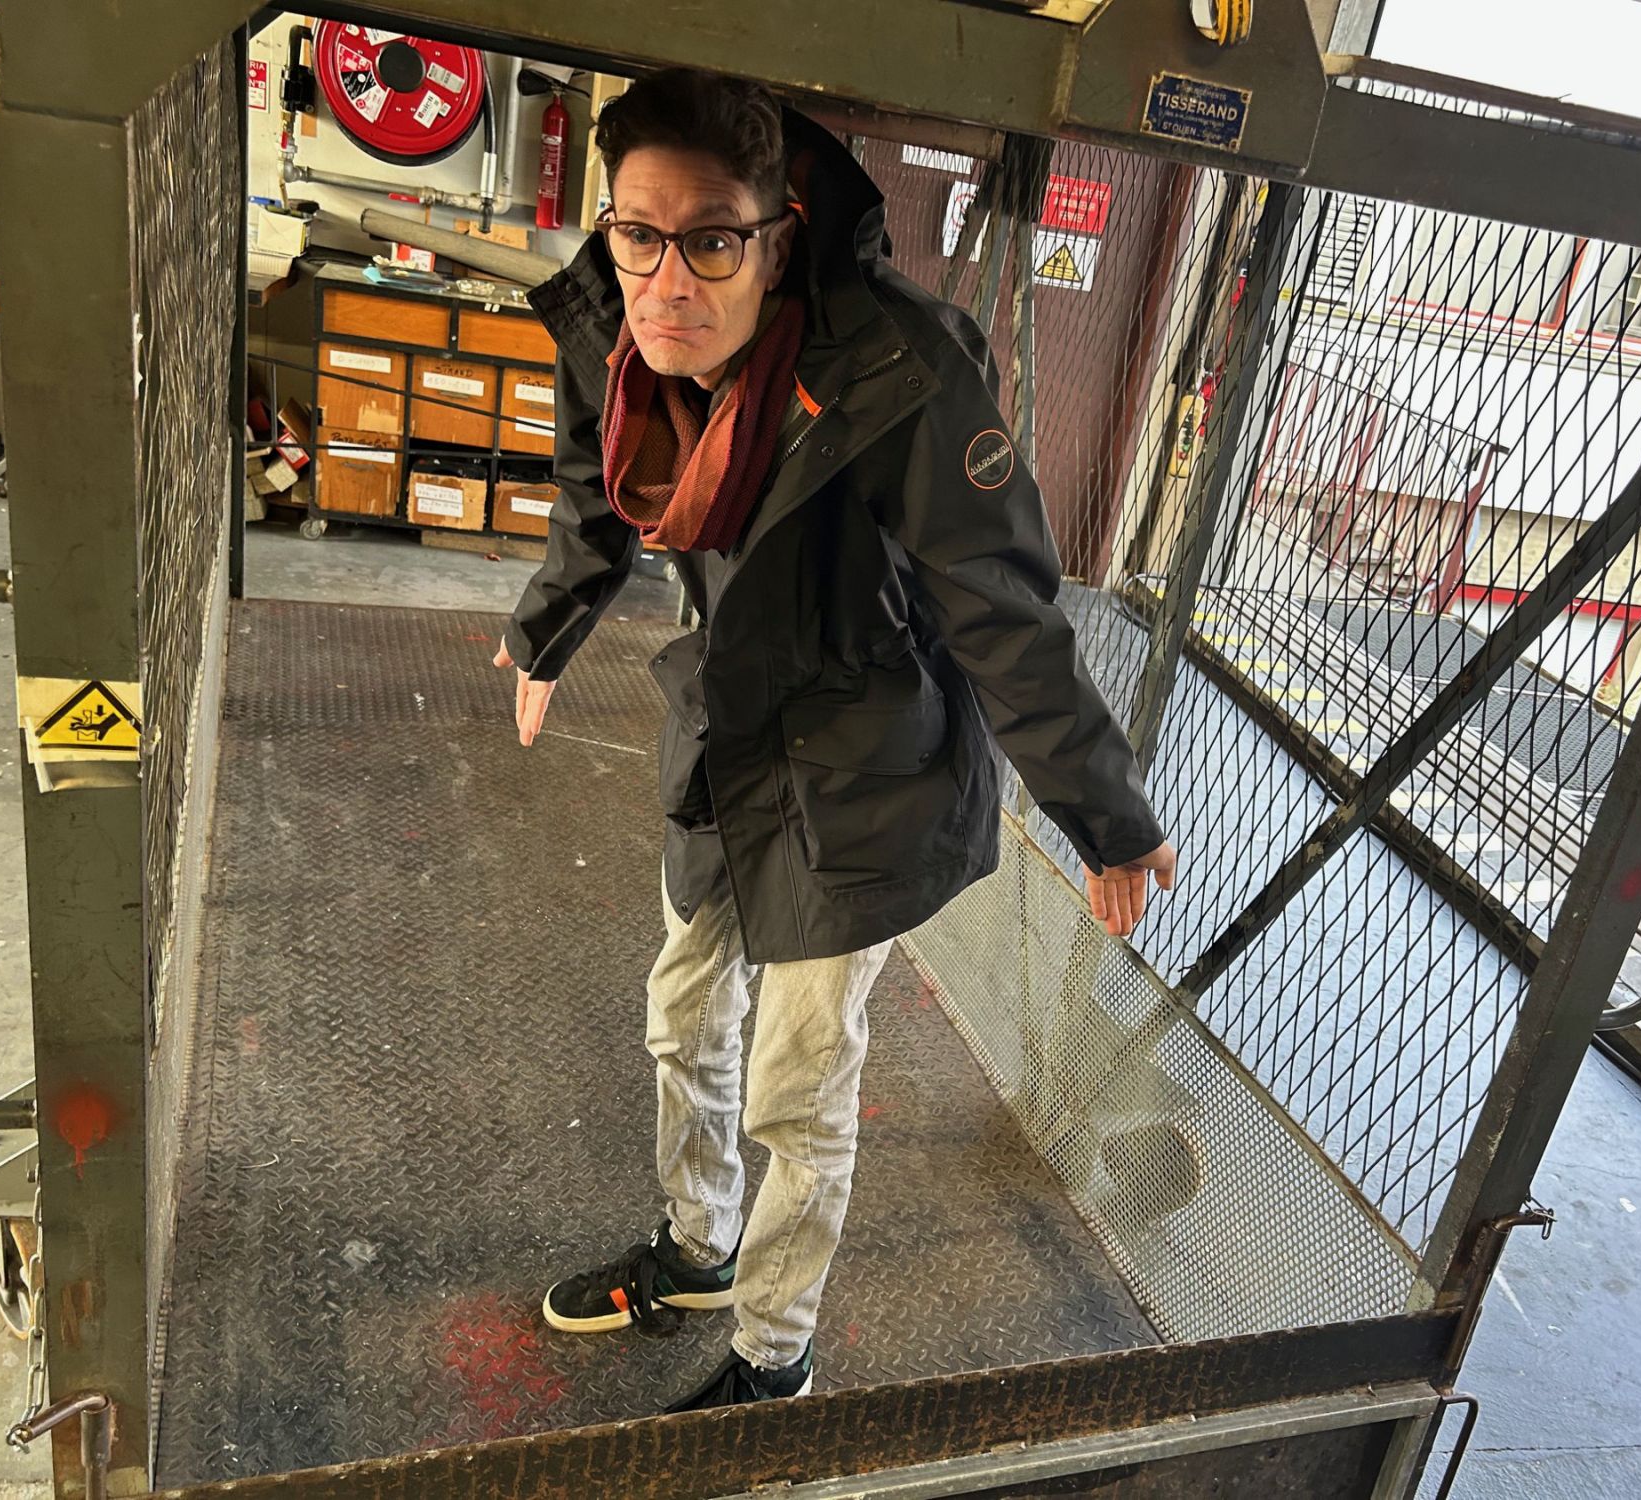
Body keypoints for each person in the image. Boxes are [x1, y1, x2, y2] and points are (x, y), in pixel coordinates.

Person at [494, 67, 1178, 1414]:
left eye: (712, 240)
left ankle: (773, 1357)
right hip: (727, 731)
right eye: (640, 234)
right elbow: (595, 490)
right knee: (683, 1018)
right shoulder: (615, 322)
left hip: (865, 759)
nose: (668, 280)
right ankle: (698, 1248)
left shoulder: (895, 368)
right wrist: (549, 626)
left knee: (798, 1087)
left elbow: (1002, 609)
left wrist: (1107, 813)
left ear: (777, 236)